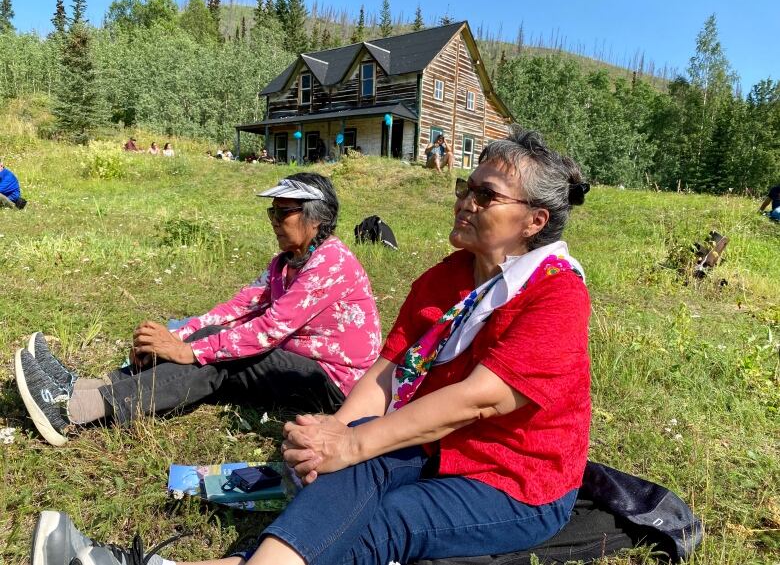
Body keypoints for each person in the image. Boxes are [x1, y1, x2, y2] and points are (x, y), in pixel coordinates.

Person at [31, 128, 593, 565]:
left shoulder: (556, 294)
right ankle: (92, 401)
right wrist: (337, 437)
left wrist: (349, 443)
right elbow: (389, 370)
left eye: (485, 194)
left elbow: (481, 399)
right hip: (430, 445)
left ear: (533, 220)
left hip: (512, 478)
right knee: (351, 464)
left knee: (384, 515)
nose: (465, 200)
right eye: (464, 187)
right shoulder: (447, 276)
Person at [14, 173, 382, 448]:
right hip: (298, 364)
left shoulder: (332, 262)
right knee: (213, 341)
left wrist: (187, 350)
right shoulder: (286, 261)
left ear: (315, 219)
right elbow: (239, 307)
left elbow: (269, 329)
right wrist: (180, 336)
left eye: (283, 211)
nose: (273, 219)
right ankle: (83, 388)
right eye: (272, 210)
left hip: (332, 386)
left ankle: (72, 411)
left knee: (230, 356)